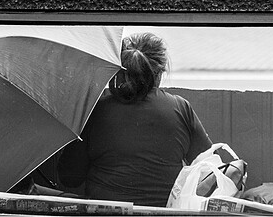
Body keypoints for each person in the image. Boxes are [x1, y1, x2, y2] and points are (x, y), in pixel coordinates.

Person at [57, 32, 212, 207]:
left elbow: (69, 178)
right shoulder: (181, 108)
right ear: (160, 73)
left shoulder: (96, 109)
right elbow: (208, 170)